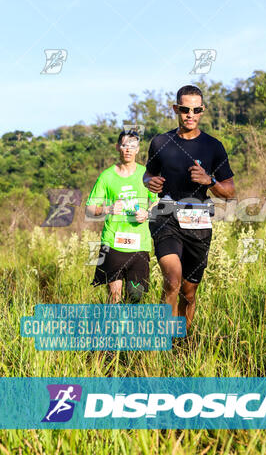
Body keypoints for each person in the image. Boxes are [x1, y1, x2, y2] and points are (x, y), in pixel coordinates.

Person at [143, 85, 235, 331]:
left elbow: (230, 192)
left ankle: (183, 340)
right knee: (172, 281)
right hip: (166, 217)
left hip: (199, 222)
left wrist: (210, 181)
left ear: (202, 111)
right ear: (176, 109)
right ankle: (163, 341)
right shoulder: (160, 142)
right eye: (185, 109)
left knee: (188, 293)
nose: (190, 114)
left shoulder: (213, 147)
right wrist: (149, 182)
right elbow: (148, 174)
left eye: (196, 110)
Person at [85, 129, 158, 303]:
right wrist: (107, 209)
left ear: (138, 149)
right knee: (114, 296)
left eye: (132, 146)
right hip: (112, 242)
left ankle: (129, 329)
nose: (128, 150)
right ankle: (114, 329)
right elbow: (89, 209)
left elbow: (158, 203)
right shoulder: (106, 176)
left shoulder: (146, 174)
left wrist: (147, 213)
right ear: (118, 147)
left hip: (140, 244)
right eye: (124, 145)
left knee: (135, 296)